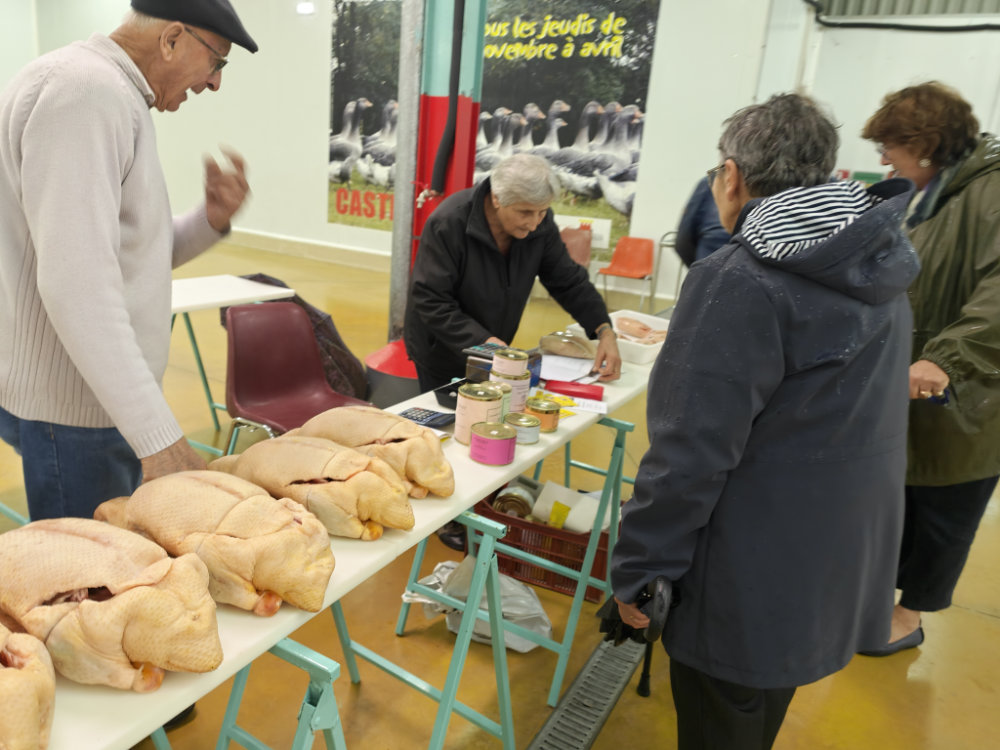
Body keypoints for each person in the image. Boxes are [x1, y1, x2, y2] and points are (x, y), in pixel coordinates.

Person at [610, 93, 920, 750]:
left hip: (745, 572)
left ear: (731, 176)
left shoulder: (741, 279)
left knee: (721, 718)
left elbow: (689, 452)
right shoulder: (877, 265)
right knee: (756, 715)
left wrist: (639, 569)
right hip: (831, 559)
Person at [0, 0, 257, 522]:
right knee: (90, 570)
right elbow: (78, 286)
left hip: (93, 403)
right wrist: (158, 438)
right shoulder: (85, 93)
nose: (215, 82)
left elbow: (121, 255)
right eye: (217, 60)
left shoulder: (107, 92)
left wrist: (208, 219)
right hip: (78, 414)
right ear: (172, 39)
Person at [858, 82, 1000, 656]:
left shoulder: (990, 192)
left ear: (924, 144)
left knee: (946, 507)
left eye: (889, 147)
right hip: (916, 384)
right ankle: (883, 599)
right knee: (906, 498)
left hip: (971, 391)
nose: (883, 159)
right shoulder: (934, 192)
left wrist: (945, 358)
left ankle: (909, 615)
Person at [403, 153, 622, 392]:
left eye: (542, 211)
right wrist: (483, 342)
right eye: (525, 212)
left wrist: (603, 329)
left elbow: (568, 281)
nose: (534, 223)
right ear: (497, 198)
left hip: (495, 347)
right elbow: (431, 299)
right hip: (443, 351)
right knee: (451, 413)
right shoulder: (449, 223)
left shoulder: (540, 223)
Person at [673, 176, 730, 267]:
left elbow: (683, 241)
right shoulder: (710, 184)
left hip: (707, 268)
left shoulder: (711, 182)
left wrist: (698, 268)